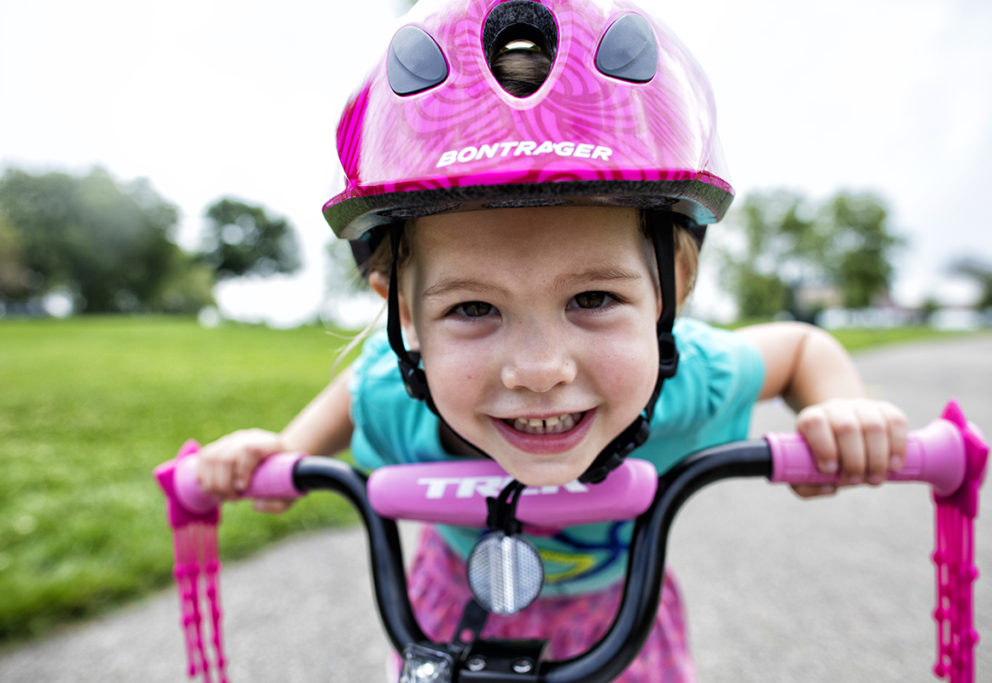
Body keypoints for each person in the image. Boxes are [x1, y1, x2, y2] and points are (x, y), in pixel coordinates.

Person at [197, 1, 909, 680]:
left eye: (593, 298)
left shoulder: (690, 376)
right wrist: (285, 453)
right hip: (452, 613)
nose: (539, 369)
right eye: (474, 308)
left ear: (673, 287)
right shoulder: (396, 387)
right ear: (403, 315)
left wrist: (842, 410)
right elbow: (358, 391)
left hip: (621, 615)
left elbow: (802, 351)